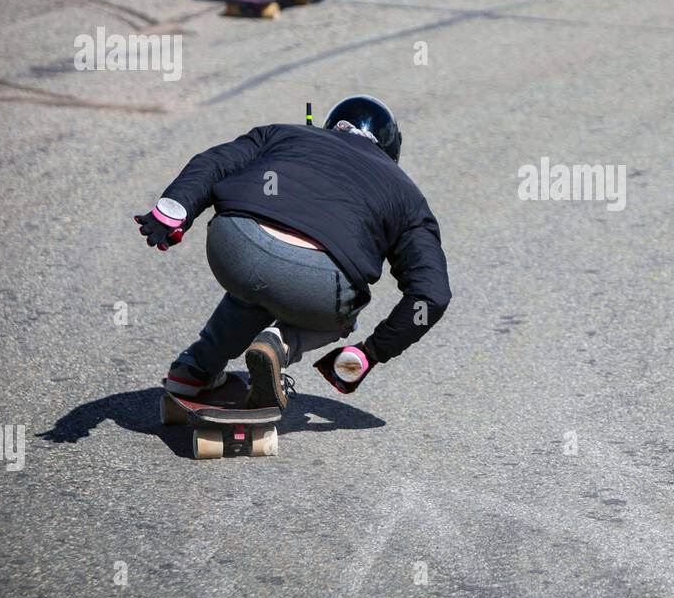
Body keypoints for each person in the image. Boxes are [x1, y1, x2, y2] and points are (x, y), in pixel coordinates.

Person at [134, 95, 450, 408]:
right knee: (343, 308)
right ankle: (279, 344)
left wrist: (175, 209)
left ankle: (194, 369)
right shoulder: (407, 195)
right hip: (316, 285)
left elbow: (214, 162)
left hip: (233, 245)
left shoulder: (286, 133)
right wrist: (372, 352)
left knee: (263, 285)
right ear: (390, 151)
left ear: (331, 127)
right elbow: (431, 295)